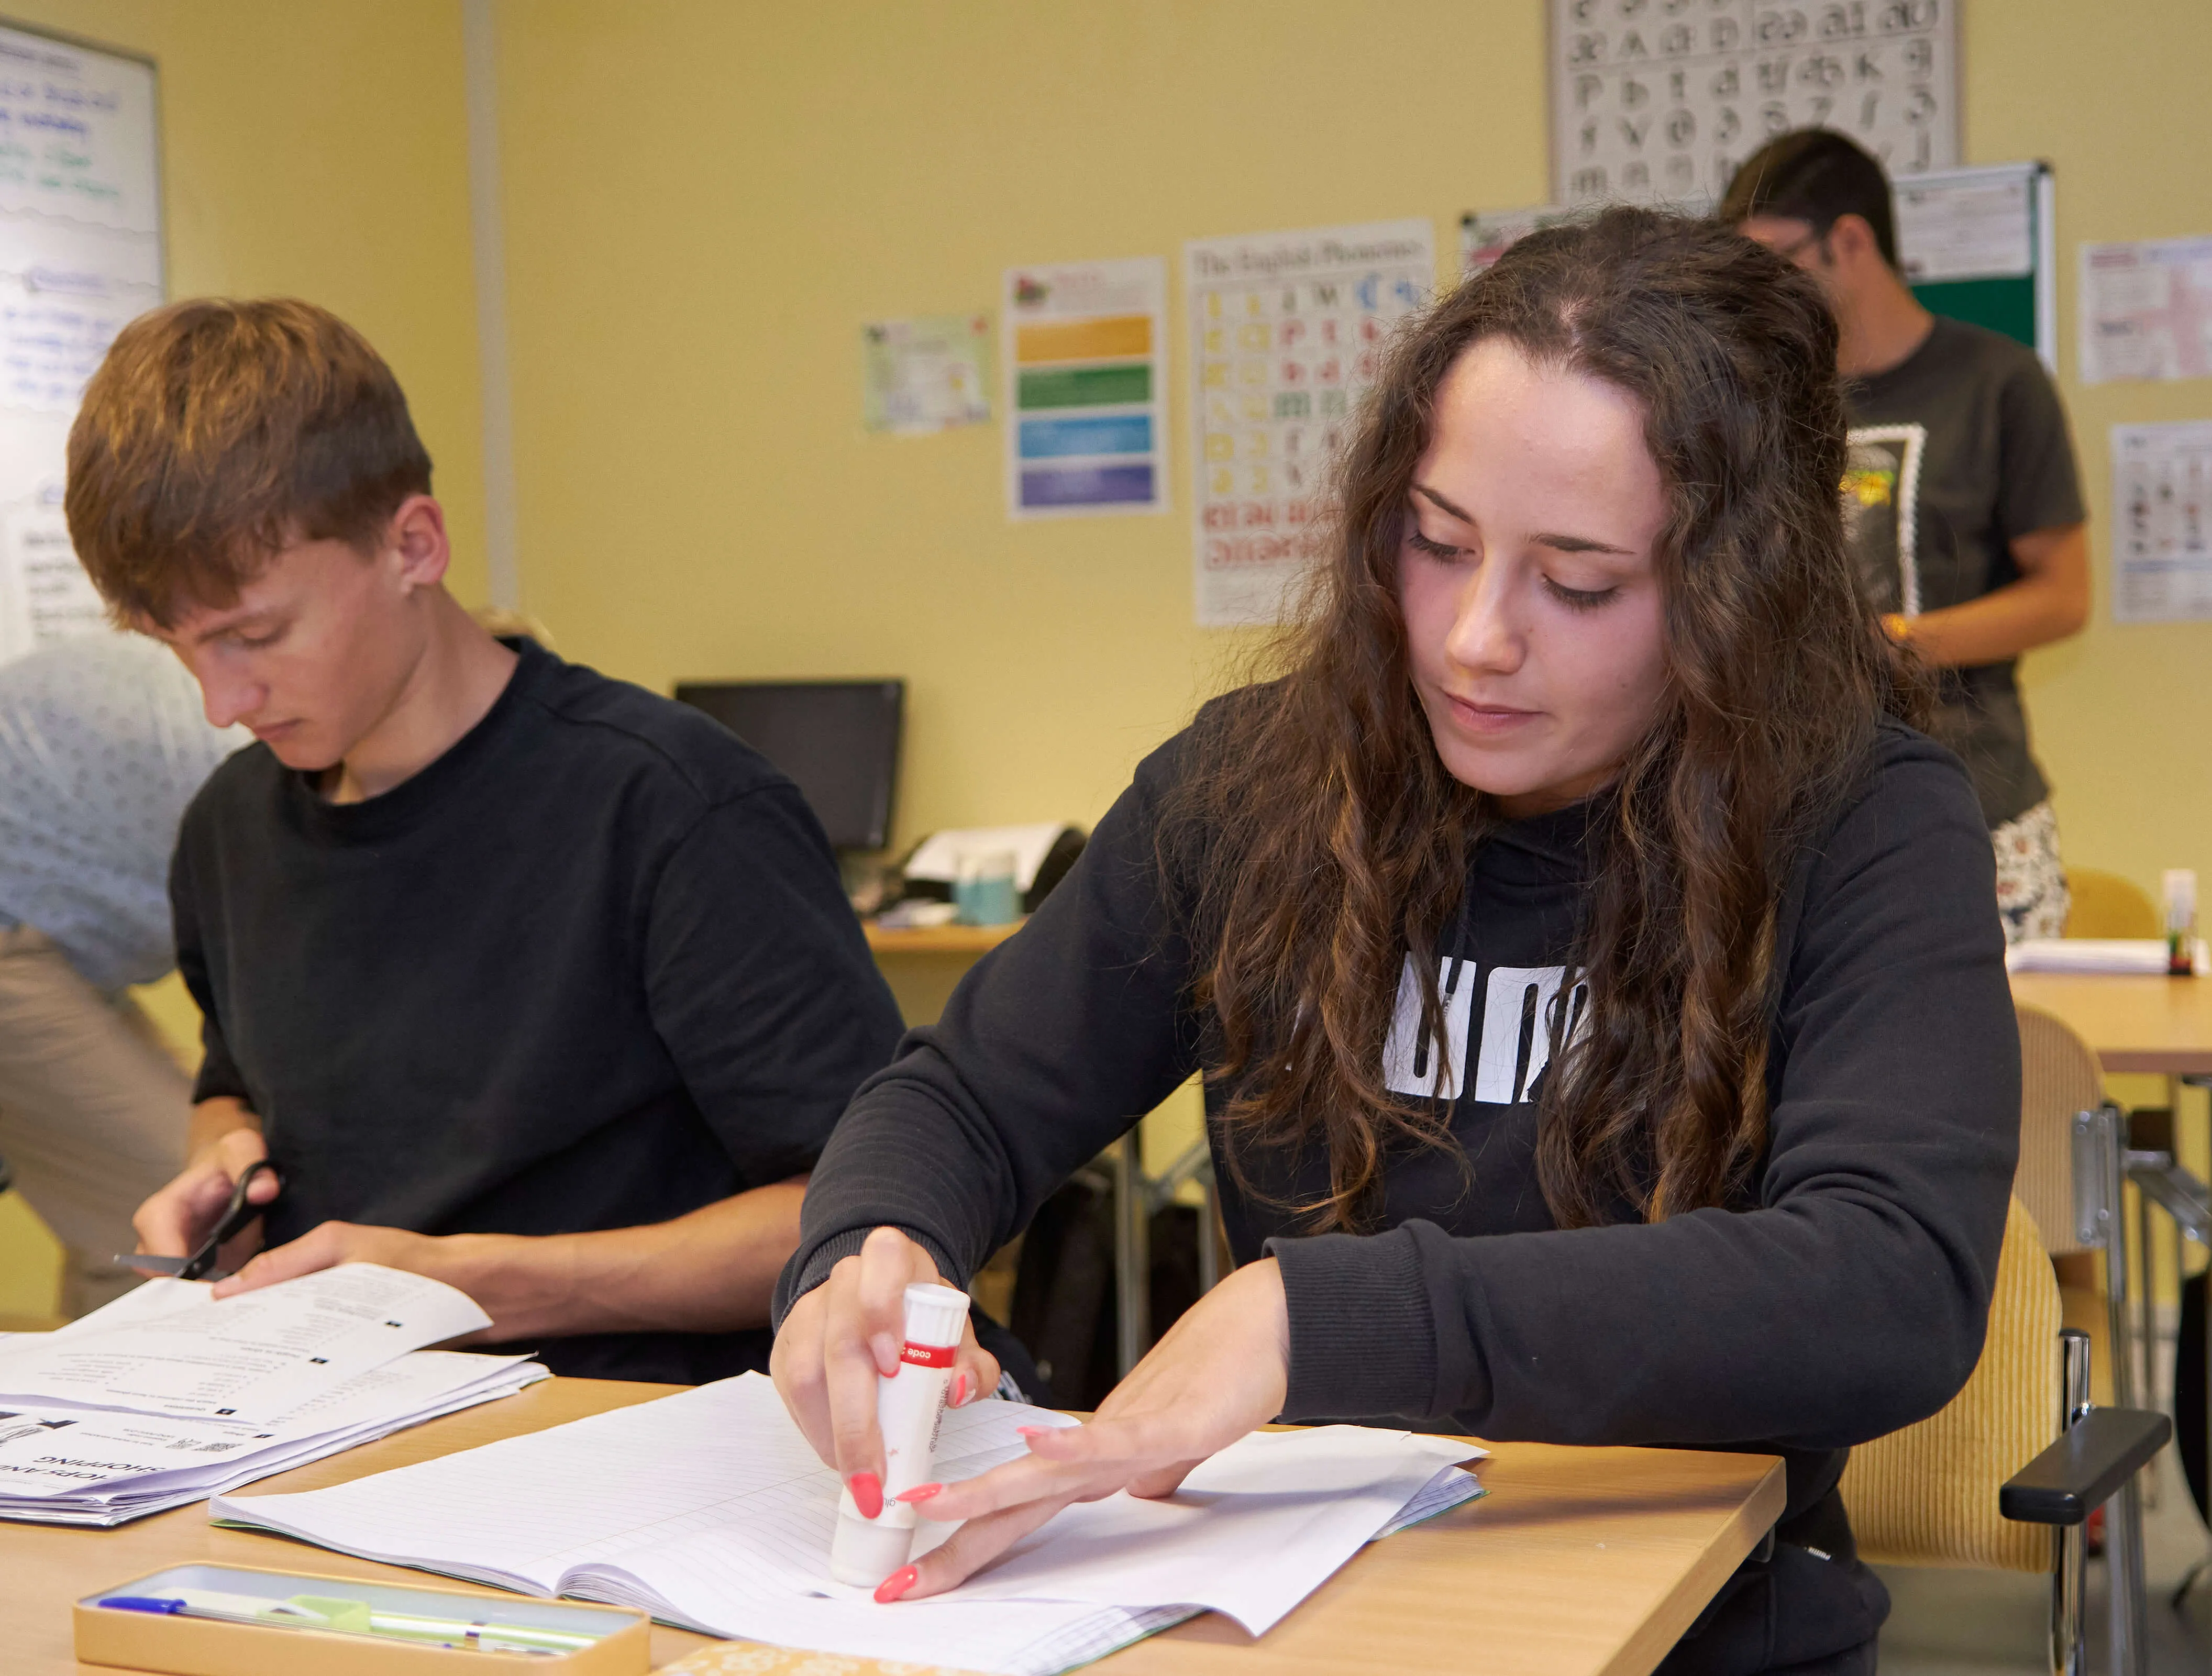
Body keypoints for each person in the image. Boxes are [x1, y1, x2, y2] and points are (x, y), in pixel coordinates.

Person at [769, 209, 2018, 1675]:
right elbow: (962, 1100)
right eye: (1436, 543)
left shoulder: (1863, 819)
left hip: (1698, 1628)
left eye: (1581, 582)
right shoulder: (1258, 789)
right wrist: (868, 1248)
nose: (1474, 637)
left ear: (1743, 598)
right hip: (1288, 1618)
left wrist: (1322, 1318)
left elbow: (1890, 1282)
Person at [65, 297, 908, 1382]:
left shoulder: (673, 809)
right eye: (175, 649)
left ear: (413, 544)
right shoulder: (231, 827)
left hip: (642, 1433)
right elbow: (236, 1075)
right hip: (340, 1429)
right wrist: (219, 1165)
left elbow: (879, 1219)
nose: (221, 701)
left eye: (256, 635)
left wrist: (479, 1285)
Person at [1720, 129, 2090, 942]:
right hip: (1801, 811)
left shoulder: (1997, 382)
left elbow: (2064, 597)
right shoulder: (1767, 400)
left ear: (1849, 240)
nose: (1763, 290)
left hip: (1977, 802)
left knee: (1999, 1060)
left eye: (1776, 259)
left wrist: (1894, 646)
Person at [0, 631, 242, 1316]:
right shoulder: (277, 750)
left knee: (144, 1205)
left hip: (38, 936)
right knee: (181, 1205)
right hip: (12, 932)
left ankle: (84, 1405)